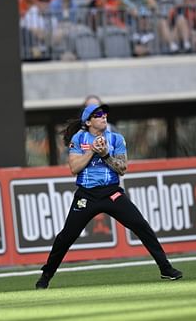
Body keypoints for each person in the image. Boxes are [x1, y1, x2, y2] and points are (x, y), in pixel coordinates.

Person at [35, 103, 183, 289]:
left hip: (111, 192)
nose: (103, 116)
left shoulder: (116, 138)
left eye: (104, 113)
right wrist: (91, 150)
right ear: (88, 121)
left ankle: (165, 268)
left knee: (140, 225)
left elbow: (122, 169)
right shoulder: (79, 138)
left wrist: (105, 155)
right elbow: (74, 168)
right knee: (66, 237)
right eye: (98, 115)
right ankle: (46, 276)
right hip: (86, 195)